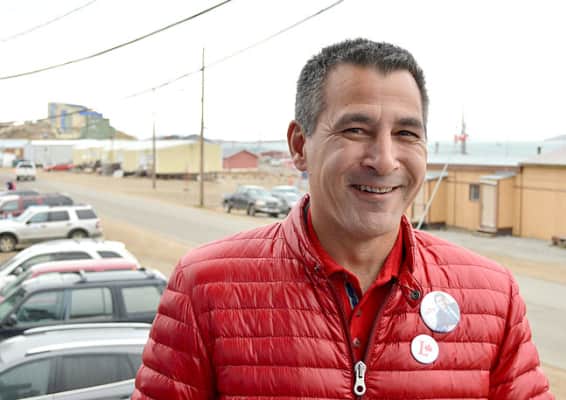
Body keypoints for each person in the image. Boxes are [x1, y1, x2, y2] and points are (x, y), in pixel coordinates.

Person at [133, 39, 553, 399]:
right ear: (300, 145)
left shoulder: (492, 297)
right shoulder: (205, 286)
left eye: (406, 134)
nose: (384, 160)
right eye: (355, 130)